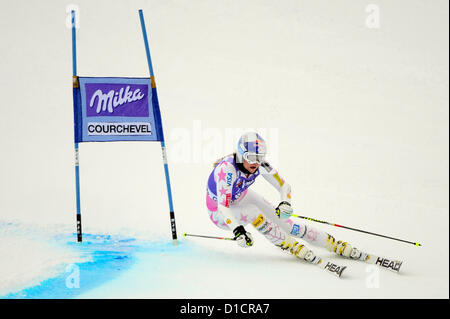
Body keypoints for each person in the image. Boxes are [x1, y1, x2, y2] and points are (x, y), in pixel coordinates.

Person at [205, 132, 370, 277]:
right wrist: (238, 230)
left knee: (288, 226)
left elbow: (284, 186)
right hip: (219, 213)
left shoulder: (260, 164)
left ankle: (332, 244)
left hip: (240, 197)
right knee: (253, 212)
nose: (256, 163)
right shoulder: (227, 170)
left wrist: (285, 202)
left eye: (260, 157)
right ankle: (290, 245)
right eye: (251, 158)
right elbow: (223, 206)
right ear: (241, 155)